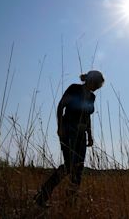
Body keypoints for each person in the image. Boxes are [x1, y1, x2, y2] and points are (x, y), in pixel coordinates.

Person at [34, 70, 104, 207]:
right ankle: (43, 195)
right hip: (69, 130)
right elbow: (61, 106)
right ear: (90, 80)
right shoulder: (74, 88)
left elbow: (87, 116)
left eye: (99, 86)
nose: (97, 87)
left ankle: (70, 202)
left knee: (78, 167)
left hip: (82, 134)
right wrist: (59, 127)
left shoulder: (92, 97)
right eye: (97, 84)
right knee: (69, 166)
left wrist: (89, 135)